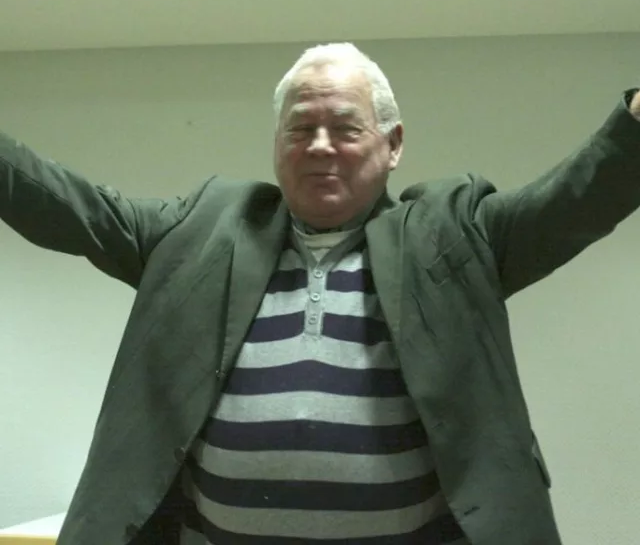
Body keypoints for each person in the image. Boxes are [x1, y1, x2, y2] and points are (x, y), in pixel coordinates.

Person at [2, 42, 640, 545]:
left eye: (345, 128)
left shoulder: (453, 234)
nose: (320, 147)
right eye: (300, 128)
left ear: (392, 144)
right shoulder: (201, 231)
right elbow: (72, 208)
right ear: (276, 144)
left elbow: (574, 201)